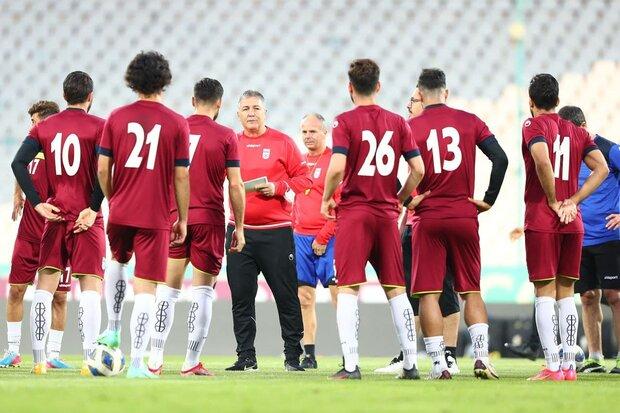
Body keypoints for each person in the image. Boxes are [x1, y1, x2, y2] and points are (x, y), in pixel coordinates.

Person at [322, 59, 425, 380]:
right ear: (378, 86)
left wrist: (326, 197)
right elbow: (418, 169)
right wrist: (400, 198)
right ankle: (410, 364)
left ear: (350, 88)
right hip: (386, 215)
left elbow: (337, 167)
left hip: (355, 213)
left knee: (348, 287)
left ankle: (351, 365)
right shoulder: (398, 122)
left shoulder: (344, 121)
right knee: (396, 288)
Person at [409, 69, 508, 380]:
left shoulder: (410, 126)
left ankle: (439, 364)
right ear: (446, 92)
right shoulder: (470, 121)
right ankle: (481, 358)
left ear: (420, 94)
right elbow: (501, 158)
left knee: (429, 294)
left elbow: (391, 170)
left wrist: (406, 198)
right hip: (464, 214)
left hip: (428, 216)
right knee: (471, 290)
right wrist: (488, 199)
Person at [97, 51, 190, 379]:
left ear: (132, 80)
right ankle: (137, 363)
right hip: (155, 215)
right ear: (165, 81)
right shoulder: (177, 122)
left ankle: (112, 329)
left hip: (121, 209)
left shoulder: (116, 117)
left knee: (117, 260)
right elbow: (181, 176)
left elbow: (103, 168)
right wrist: (182, 218)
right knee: (147, 287)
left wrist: (114, 198)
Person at [147, 78, 245, 376]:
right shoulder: (226, 136)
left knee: (167, 291)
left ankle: (154, 360)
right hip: (209, 219)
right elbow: (236, 185)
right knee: (202, 291)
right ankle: (190, 361)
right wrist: (240, 227)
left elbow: (158, 176)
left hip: (174, 218)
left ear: (193, 101)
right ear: (219, 103)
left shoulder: (174, 129)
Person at [11, 72, 107, 376]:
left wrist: (37, 202)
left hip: (55, 214)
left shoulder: (45, 126)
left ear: (64, 95)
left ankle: (39, 361)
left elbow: (17, 163)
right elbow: (106, 171)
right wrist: (93, 207)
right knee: (90, 286)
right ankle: (90, 360)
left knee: (45, 286)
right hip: (86, 218)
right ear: (90, 96)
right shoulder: (100, 126)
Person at [521, 74, 608, 381]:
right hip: (574, 221)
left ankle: (552, 366)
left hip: (543, 218)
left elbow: (543, 161)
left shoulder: (532, 125)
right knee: (567, 293)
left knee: (544, 293)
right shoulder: (576, 131)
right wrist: (574, 200)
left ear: (531, 102)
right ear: (557, 101)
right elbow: (602, 168)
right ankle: (569, 366)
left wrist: (554, 200)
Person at [375, 92, 461, 376]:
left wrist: (407, 199)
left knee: (444, 292)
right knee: (412, 294)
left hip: (438, 223)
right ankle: (408, 355)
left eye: (412, 100)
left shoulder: (438, 132)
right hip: (414, 224)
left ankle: (449, 355)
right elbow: (388, 169)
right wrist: (406, 203)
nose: (408, 106)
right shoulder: (410, 131)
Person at [225, 90, 310, 372]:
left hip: (277, 232)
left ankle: (292, 356)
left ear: (265, 112)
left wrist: (279, 187)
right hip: (239, 232)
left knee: (286, 296)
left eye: (256, 108)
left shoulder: (283, 142)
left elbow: (305, 178)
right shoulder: (231, 143)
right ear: (238, 114)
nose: (251, 113)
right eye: (246, 108)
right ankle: (246, 357)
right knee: (241, 298)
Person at [1, 101, 73, 370]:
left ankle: (53, 354)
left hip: (57, 235)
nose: (31, 127)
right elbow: (18, 167)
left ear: (48, 121)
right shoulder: (30, 147)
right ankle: (12, 351)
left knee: (60, 297)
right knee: (16, 291)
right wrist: (17, 194)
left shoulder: (62, 151)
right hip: (28, 234)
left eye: (35, 121)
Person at [558, 105, 620, 374]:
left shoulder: (609, 150)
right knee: (587, 296)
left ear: (582, 128)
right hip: (581, 237)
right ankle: (595, 357)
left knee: (615, 296)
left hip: (609, 236)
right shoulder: (569, 154)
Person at [293, 113, 339, 369]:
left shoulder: (335, 160)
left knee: (339, 296)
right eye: (304, 132)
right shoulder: (298, 161)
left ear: (325, 133)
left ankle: (348, 352)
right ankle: (309, 354)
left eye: (313, 131)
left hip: (329, 238)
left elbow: (340, 204)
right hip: (300, 237)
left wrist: (324, 235)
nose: (308, 136)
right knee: (304, 298)